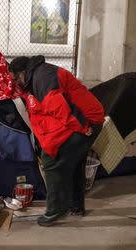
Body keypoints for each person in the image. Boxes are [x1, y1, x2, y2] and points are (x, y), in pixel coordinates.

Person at [9, 55, 105, 227]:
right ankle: (76, 207)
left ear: (23, 72)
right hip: (84, 118)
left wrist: (83, 126)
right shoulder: (35, 77)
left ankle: (56, 209)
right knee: (74, 162)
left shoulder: (43, 76)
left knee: (51, 159)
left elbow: (59, 106)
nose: (15, 83)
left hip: (86, 119)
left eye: (15, 79)